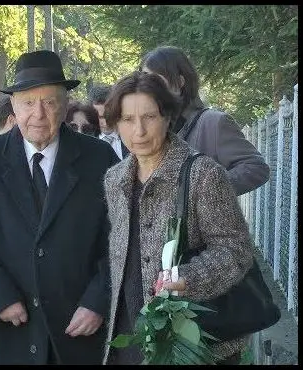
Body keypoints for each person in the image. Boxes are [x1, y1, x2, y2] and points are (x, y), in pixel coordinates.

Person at [0, 50, 119, 365]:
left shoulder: (100, 160)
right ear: (13, 106)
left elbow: (121, 238)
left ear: (65, 105)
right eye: (28, 103)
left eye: (49, 102)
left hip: (78, 332)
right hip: (9, 332)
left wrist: (98, 301)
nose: (38, 114)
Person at [101, 71, 254, 365]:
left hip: (191, 343)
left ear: (168, 117)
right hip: (130, 337)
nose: (139, 131)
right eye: (127, 120)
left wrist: (188, 277)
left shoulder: (202, 174)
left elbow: (235, 251)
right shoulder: (114, 179)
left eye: (149, 117)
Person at [140, 45, 269, 195]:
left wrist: (205, 192)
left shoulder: (214, 122)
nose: (147, 86)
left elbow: (256, 168)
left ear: (180, 82)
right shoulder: (148, 126)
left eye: (155, 80)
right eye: (144, 78)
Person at [89, 83, 129, 159]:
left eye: (108, 115)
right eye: (100, 117)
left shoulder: (130, 135)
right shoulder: (86, 141)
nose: (105, 122)